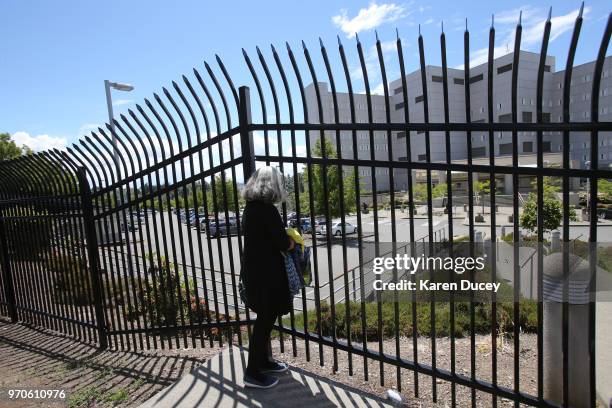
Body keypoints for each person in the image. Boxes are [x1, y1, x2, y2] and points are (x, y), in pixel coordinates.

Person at [240, 166, 294, 389]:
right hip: (267, 277)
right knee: (264, 322)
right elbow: (282, 243)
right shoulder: (266, 210)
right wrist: (292, 241)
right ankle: (252, 373)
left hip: (255, 274)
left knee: (264, 319)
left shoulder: (250, 208)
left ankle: (263, 362)